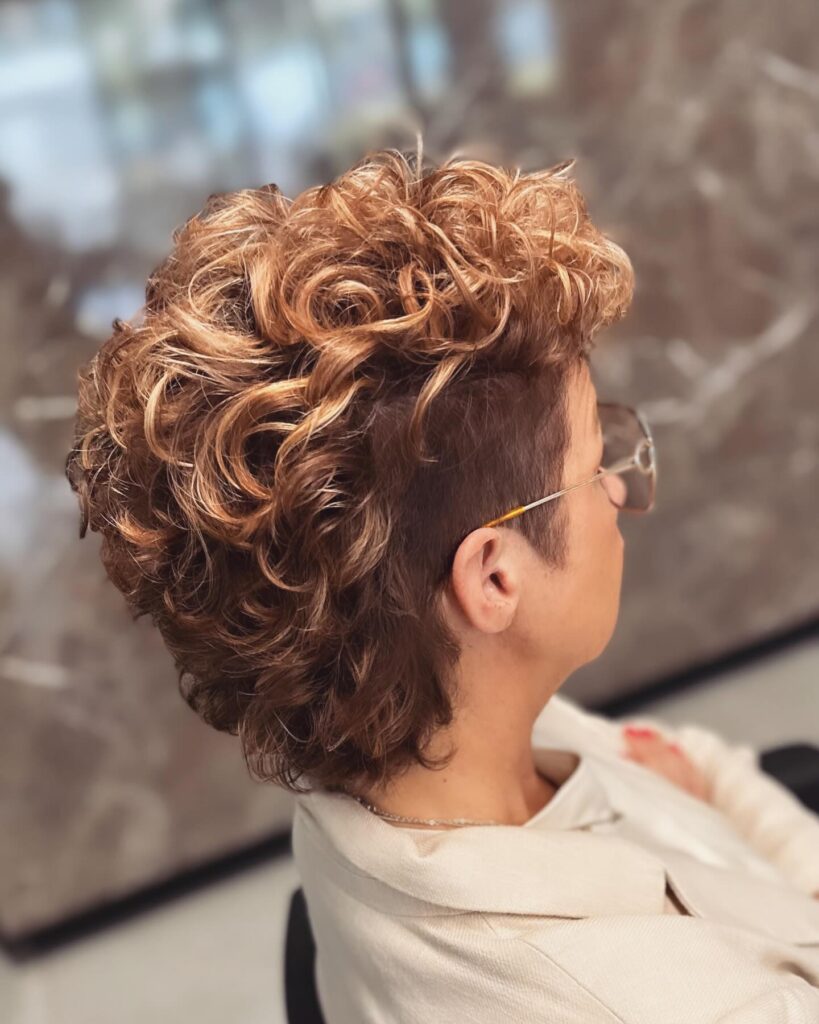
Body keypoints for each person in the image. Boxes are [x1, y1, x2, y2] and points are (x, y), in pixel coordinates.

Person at [66, 145, 819, 1022]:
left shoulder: (406, 728)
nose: (621, 490)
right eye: (593, 462)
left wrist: (711, 793)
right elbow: (693, 776)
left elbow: (696, 764)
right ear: (493, 578)